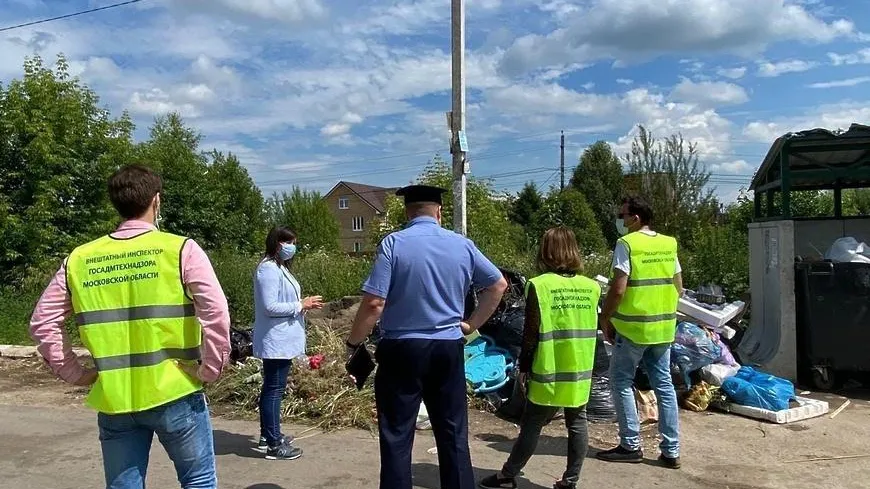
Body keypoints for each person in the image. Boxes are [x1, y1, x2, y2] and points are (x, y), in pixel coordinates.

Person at [29, 164, 231, 489]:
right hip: (176, 390)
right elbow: (216, 312)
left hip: (115, 397)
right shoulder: (180, 249)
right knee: (199, 481)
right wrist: (210, 369)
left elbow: (42, 322)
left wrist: (75, 373)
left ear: (116, 204)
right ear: (157, 201)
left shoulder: (80, 258)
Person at [345, 184, 508, 489]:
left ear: (407, 212)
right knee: (453, 432)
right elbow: (498, 285)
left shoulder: (394, 243)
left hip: (401, 349)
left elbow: (374, 302)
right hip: (447, 347)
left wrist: (353, 344)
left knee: (396, 434)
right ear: (439, 212)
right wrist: (471, 324)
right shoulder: (462, 245)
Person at [479, 227, 601, 489]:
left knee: (532, 423)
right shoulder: (591, 287)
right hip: (579, 368)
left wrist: (523, 367)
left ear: (546, 252)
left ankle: (507, 475)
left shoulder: (540, 285)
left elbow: (531, 332)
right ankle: (570, 481)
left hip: (549, 368)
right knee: (577, 423)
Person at [596, 195, 683, 469]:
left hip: (633, 328)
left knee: (621, 381)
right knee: (664, 386)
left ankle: (630, 444)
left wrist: (606, 317)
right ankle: (671, 451)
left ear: (635, 218)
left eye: (623, 215)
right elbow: (678, 285)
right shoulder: (669, 243)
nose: (620, 220)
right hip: (663, 327)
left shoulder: (626, 244)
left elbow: (618, 288)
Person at [252, 226, 323, 460]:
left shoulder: (279, 268)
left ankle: (268, 435)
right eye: (289, 242)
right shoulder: (268, 270)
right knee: (274, 390)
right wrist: (301, 305)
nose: (293, 247)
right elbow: (269, 306)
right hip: (275, 340)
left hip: (282, 339)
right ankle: (273, 444)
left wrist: (302, 304)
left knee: (273, 388)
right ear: (277, 243)